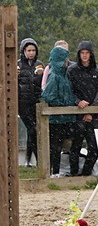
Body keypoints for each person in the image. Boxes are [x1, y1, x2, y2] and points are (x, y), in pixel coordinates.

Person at [40, 45, 79, 178]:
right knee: (55, 147)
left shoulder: (64, 74)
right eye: (64, 58)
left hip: (65, 117)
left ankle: (59, 171)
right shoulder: (54, 75)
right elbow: (47, 95)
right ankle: (54, 171)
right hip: (56, 118)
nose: (67, 61)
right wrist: (63, 103)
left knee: (64, 145)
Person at [67, 40, 98, 176]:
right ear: (79, 54)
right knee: (75, 146)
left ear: (91, 54)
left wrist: (91, 110)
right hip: (77, 113)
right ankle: (73, 174)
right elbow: (69, 90)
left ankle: (86, 174)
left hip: (93, 114)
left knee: (94, 148)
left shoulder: (97, 70)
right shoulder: (72, 70)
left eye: (87, 53)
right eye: (82, 53)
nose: (84, 55)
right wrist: (78, 102)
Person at [17, 38, 44, 166]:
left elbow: (42, 84)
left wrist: (42, 75)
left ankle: (28, 159)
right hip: (22, 103)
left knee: (33, 130)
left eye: (33, 50)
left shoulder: (39, 64)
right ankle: (37, 159)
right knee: (32, 128)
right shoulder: (18, 65)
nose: (31, 53)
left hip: (35, 102)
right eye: (29, 50)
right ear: (23, 51)